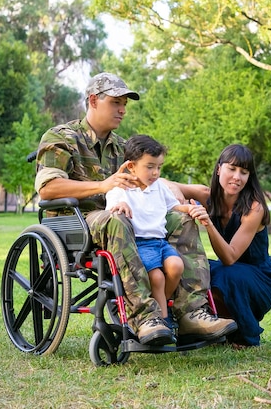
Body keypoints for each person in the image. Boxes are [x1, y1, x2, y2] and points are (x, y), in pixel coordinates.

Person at [34, 72, 237, 346]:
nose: (122, 109)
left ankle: (191, 313)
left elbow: (154, 182)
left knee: (182, 218)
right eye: (116, 102)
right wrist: (103, 185)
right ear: (94, 100)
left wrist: (189, 196)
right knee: (115, 219)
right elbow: (48, 188)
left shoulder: (124, 147)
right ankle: (144, 318)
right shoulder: (62, 137)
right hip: (75, 221)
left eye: (125, 104)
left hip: (128, 221)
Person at [105, 134, 205, 328]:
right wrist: (122, 203)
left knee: (176, 266)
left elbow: (173, 207)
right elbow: (113, 208)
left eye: (159, 167)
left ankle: (157, 308)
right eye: (149, 167)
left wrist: (189, 209)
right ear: (131, 166)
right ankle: (164, 318)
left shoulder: (159, 187)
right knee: (157, 277)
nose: (155, 173)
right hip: (139, 243)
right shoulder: (121, 189)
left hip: (160, 242)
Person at [189, 144, 271, 347]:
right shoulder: (208, 196)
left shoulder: (254, 208)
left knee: (225, 273)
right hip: (231, 272)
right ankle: (210, 328)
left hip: (260, 279)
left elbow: (230, 258)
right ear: (219, 169)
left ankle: (244, 334)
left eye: (244, 172)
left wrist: (208, 224)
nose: (237, 177)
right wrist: (181, 204)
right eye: (232, 169)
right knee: (194, 268)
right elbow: (164, 184)